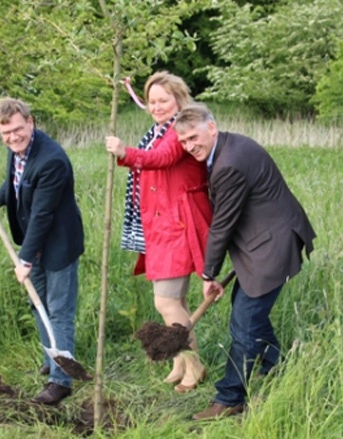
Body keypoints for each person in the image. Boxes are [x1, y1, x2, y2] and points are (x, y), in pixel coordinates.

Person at [173, 102, 316, 421]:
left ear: (212, 127)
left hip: (271, 246)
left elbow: (223, 223)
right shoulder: (226, 147)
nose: (190, 146)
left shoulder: (230, 164)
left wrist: (209, 272)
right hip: (262, 241)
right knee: (250, 315)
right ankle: (279, 365)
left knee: (244, 323)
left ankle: (230, 398)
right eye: (184, 142)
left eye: (194, 137)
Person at [105, 71, 212, 393]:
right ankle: (180, 362)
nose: (157, 106)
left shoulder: (180, 131)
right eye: (152, 101)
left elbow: (162, 159)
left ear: (178, 99)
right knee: (174, 300)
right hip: (163, 224)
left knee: (166, 302)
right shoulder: (157, 131)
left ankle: (194, 365)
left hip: (179, 223)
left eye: (163, 100)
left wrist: (125, 152)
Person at [0, 97, 84, 406]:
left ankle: (62, 381)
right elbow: (16, 181)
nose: (13, 137)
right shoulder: (19, 150)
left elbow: (42, 215)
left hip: (58, 245)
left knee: (58, 311)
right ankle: (51, 359)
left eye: (18, 130)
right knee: (38, 306)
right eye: (6, 133)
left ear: (31, 123)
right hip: (34, 243)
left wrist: (24, 259)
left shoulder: (52, 160)